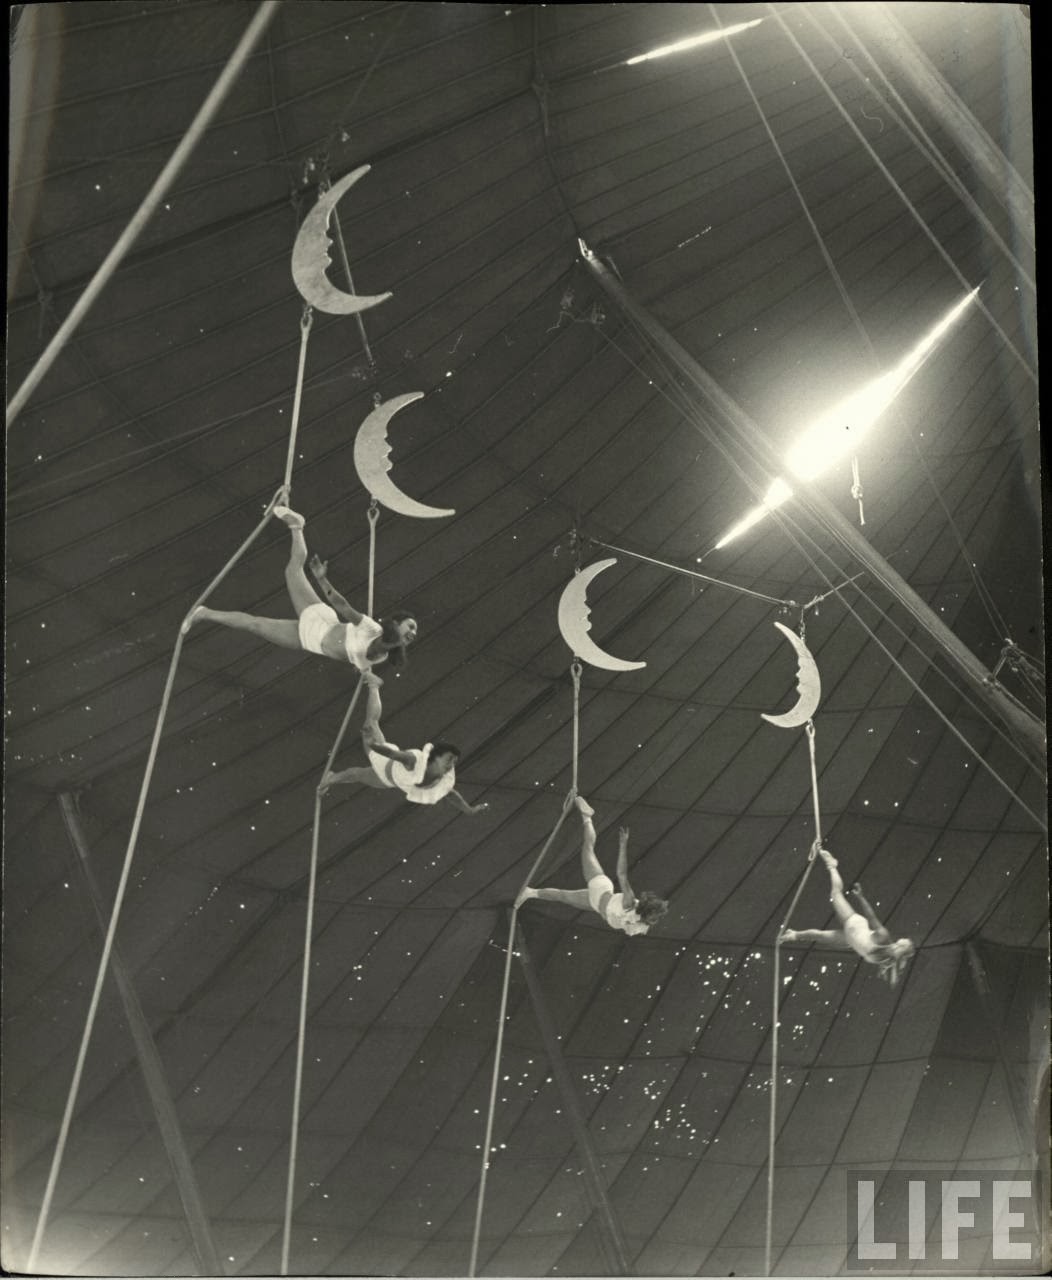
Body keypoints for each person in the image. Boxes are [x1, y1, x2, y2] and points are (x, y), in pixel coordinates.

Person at [183, 506, 417, 671]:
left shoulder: (383, 656)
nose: (413, 632)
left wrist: (369, 679)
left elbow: (363, 657)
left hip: (309, 642)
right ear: (396, 622)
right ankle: (297, 526)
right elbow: (342, 606)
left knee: (255, 624)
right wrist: (322, 579)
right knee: (292, 570)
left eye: (414, 633)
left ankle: (204, 613)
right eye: (411, 626)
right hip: (321, 621)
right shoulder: (371, 628)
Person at [320, 672, 489, 815]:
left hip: (389, 781)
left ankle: (331, 778)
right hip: (384, 761)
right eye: (449, 759)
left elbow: (451, 795)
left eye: (454, 762)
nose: (451, 765)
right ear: (435, 757)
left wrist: (469, 810)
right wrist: (373, 745)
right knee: (371, 724)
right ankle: (374, 685)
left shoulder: (442, 778)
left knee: (357, 775)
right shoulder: (415, 760)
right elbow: (392, 754)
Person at [515, 795, 668, 935]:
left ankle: (530, 893)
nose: (655, 920)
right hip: (600, 887)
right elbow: (622, 874)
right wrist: (623, 846)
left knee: (562, 896)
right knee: (588, 847)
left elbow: (631, 926)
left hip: (595, 903)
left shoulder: (641, 924)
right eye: (654, 916)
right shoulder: (629, 902)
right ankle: (587, 816)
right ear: (646, 910)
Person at [780, 847, 914, 985]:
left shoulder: (889, 959)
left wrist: (884, 969)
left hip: (850, 940)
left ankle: (793, 935)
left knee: (819, 936)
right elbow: (871, 918)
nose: (901, 939)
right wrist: (860, 897)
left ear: (902, 947)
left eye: (904, 941)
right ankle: (832, 865)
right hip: (855, 924)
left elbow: (872, 919)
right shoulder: (884, 938)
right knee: (835, 894)